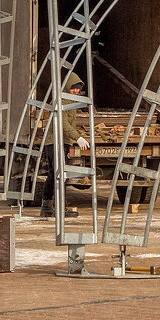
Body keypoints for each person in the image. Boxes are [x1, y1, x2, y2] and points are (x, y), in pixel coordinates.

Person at [40, 73, 92, 218]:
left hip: (60, 142)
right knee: (60, 175)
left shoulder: (69, 101)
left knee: (53, 175)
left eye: (78, 89)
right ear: (68, 87)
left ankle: (47, 208)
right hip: (56, 141)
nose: (76, 91)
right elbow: (62, 123)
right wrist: (78, 138)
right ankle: (59, 208)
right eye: (74, 88)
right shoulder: (63, 100)